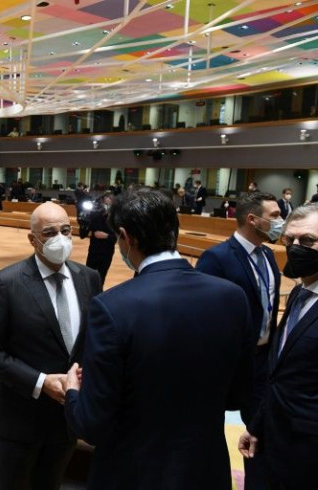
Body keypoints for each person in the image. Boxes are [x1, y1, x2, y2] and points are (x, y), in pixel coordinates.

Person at [64, 188, 252, 489]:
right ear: (173, 230)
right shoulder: (233, 297)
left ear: (126, 237)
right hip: (205, 469)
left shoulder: (112, 307)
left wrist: (73, 392)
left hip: (134, 474)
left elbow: (92, 425)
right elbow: (238, 394)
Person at [0, 202, 102, 490]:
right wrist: (41, 382)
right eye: (50, 232)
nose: (61, 237)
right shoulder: (7, 283)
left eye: (66, 230)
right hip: (19, 421)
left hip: (66, 420)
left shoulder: (89, 278)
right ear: (33, 239)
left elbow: (91, 342)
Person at [196, 192, 282, 489]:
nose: (279, 223)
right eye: (274, 216)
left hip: (262, 360)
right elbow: (202, 314)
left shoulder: (269, 255)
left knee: (259, 431)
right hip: (226, 362)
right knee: (207, 429)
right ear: (252, 219)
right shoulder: (216, 257)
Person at [239, 203, 318, 489]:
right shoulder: (299, 292)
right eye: (290, 240)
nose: (296, 247)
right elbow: (279, 374)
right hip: (272, 439)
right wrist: (258, 426)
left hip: (306, 453)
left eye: (308, 241)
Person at [85, 193, 116, 284]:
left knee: (101, 277)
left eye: (108, 204)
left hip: (107, 252)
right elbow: (83, 234)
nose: (106, 206)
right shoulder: (95, 215)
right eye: (104, 203)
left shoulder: (115, 218)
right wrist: (85, 218)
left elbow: (116, 238)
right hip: (94, 251)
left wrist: (106, 236)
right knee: (89, 276)